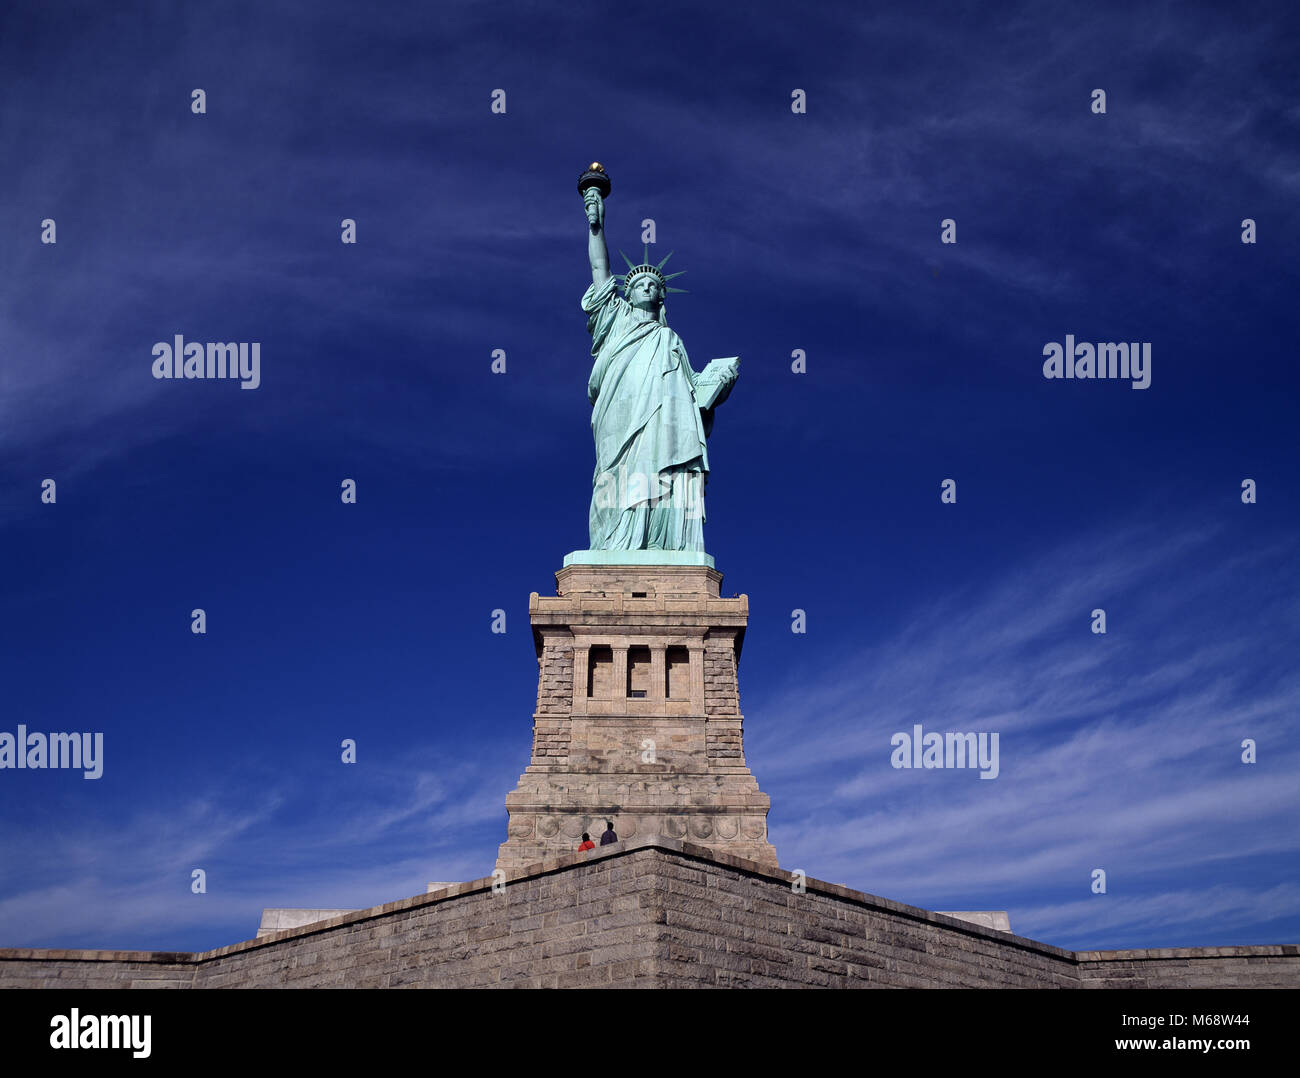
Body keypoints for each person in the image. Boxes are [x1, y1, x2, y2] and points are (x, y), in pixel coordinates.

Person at [580, 183, 738, 552]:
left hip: (666, 424)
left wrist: (716, 386)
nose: (647, 288)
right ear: (628, 292)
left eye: (654, 284)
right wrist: (596, 226)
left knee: (666, 469)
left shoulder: (671, 340)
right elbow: (600, 269)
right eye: (639, 284)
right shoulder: (615, 319)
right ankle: (616, 545)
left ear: (662, 296)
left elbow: (692, 392)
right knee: (616, 473)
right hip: (620, 418)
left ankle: (666, 544)